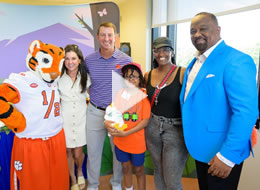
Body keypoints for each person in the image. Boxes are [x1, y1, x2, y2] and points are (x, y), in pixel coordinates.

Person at [180, 12, 258, 190]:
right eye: (192, 31)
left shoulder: (237, 60)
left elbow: (247, 112)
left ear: (218, 30)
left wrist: (227, 156)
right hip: (201, 150)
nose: (197, 34)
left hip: (222, 153)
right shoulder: (195, 62)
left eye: (203, 29)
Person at [85, 22, 132, 190]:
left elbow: (130, 88)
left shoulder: (126, 60)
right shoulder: (89, 60)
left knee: (118, 153)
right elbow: (85, 84)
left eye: (110, 35)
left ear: (115, 37)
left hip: (117, 114)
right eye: (103, 35)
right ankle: (92, 184)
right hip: (94, 112)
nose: (106, 39)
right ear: (98, 37)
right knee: (93, 153)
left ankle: (116, 182)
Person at [144, 37, 188, 190]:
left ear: (172, 52)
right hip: (152, 127)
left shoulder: (182, 72)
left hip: (175, 129)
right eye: (157, 50)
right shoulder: (147, 75)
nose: (161, 53)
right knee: (158, 171)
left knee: (172, 180)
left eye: (166, 49)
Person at [105, 62, 151, 190]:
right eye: (127, 76)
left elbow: (145, 121)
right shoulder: (120, 94)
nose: (130, 79)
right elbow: (113, 113)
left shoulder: (143, 96)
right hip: (121, 141)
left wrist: (127, 133)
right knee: (125, 167)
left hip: (137, 142)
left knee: (139, 170)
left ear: (140, 79)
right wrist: (107, 122)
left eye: (134, 76)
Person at [58, 44, 90, 190]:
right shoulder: (58, 78)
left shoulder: (86, 77)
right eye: (67, 59)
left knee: (78, 152)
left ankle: (79, 170)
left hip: (81, 120)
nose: (70, 62)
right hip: (65, 121)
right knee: (68, 152)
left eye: (73, 58)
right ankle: (72, 180)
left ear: (79, 60)